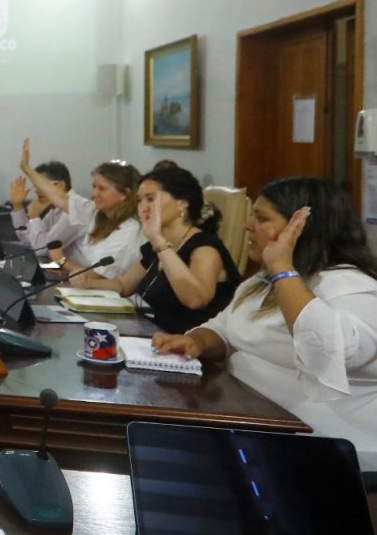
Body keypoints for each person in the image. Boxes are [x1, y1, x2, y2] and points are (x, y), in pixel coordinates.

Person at [152, 177, 377, 470]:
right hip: (256, 435)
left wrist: (283, 268)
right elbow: (224, 328)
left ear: (301, 228)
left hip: (331, 455)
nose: (248, 226)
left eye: (261, 218)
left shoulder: (353, 288)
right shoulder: (260, 282)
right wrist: (198, 341)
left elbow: (332, 351)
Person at [65, 163, 240, 333]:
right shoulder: (154, 245)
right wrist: (89, 283)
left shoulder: (205, 248)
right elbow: (123, 286)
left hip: (187, 343)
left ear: (182, 203)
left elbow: (195, 299)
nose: (143, 207)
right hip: (149, 334)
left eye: (151, 199)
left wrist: (159, 242)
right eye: (139, 200)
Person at [18, 139, 144, 278]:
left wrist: (61, 261)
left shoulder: (129, 230)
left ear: (124, 194)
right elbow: (60, 198)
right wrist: (27, 169)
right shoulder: (96, 212)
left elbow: (101, 277)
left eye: (102, 188)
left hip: (101, 290)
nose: (94, 194)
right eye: (94, 187)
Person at [8, 160, 83, 259]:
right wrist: (18, 206)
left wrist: (34, 216)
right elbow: (30, 242)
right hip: (60, 266)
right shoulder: (54, 210)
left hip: (85, 268)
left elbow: (42, 250)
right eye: (35, 185)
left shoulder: (75, 210)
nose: (36, 190)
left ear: (61, 185)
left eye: (41, 185)